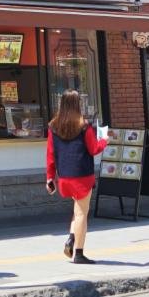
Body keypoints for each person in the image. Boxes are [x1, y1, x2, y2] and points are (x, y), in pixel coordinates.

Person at [43, 91, 106, 264]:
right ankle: (78, 253)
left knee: (77, 210)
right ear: (77, 104)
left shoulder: (53, 126)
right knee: (81, 213)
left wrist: (50, 177)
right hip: (82, 176)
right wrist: (104, 140)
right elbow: (94, 149)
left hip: (64, 177)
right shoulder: (84, 126)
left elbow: (50, 154)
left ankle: (71, 239)